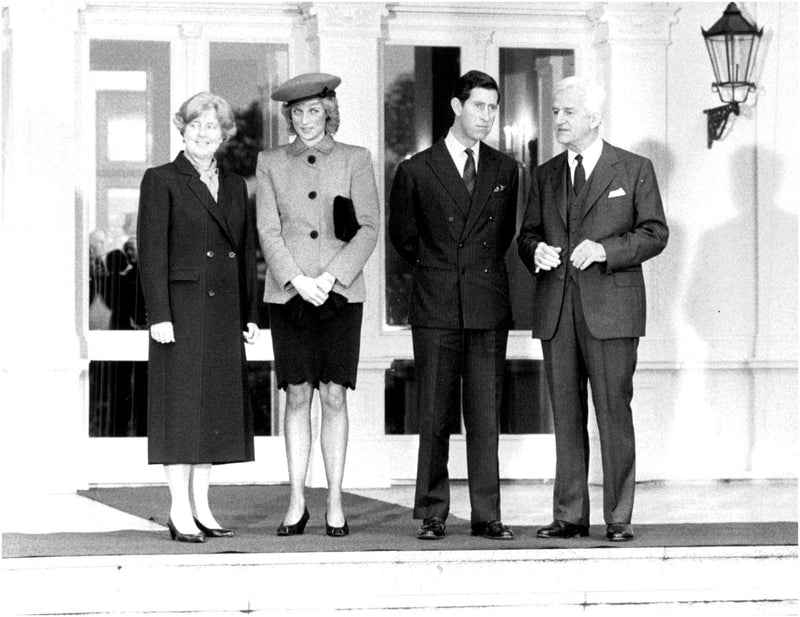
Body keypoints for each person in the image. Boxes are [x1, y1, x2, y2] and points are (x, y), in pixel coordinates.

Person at [517, 76, 668, 542]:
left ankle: (618, 516)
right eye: (556, 112)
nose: (558, 120)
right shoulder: (544, 174)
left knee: (612, 414)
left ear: (594, 118)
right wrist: (536, 251)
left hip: (612, 312)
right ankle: (569, 515)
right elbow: (528, 236)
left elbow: (655, 233)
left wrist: (605, 250)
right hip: (557, 311)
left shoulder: (634, 169)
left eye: (568, 113)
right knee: (566, 416)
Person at [389, 70, 518, 541]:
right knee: (435, 414)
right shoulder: (417, 169)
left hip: (486, 304)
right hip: (437, 304)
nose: (486, 116)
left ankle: (487, 514)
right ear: (455, 106)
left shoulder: (505, 170)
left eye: (493, 107)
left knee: (485, 415)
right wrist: (446, 267)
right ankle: (433, 512)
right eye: (479, 106)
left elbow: (501, 238)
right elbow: (404, 240)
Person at [256, 73, 379, 538]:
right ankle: (295, 501)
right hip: (289, 294)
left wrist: (331, 276)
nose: (306, 120)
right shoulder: (269, 162)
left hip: (340, 293)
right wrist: (297, 280)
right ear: (288, 117)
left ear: (328, 113)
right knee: (298, 394)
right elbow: (268, 230)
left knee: (332, 394)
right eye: (298, 113)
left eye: (314, 111)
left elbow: (368, 226)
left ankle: (334, 502)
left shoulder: (355, 158)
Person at [137, 91, 260, 543]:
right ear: (182, 129)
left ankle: (203, 507)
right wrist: (159, 314)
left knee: (213, 412)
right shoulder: (161, 179)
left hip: (224, 311)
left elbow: (246, 251)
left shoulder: (234, 186)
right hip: (181, 314)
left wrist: (250, 312)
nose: (203, 133)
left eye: (212, 127)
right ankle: (177, 509)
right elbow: (152, 252)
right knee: (180, 411)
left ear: (224, 134)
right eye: (195, 125)